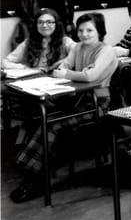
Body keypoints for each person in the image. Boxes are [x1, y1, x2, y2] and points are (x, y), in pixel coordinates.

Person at [10, 13, 118, 203]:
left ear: (100, 31)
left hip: (99, 104)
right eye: (81, 30)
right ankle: (33, 174)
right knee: (42, 119)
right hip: (77, 100)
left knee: (53, 125)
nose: (84, 34)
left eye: (89, 30)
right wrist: (69, 72)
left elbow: (90, 76)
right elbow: (63, 68)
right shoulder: (78, 47)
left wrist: (68, 74)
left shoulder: (106, 50)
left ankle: (35, 179)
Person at [3, 8, 75, 71]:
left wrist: (62, 62)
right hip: (35, 79)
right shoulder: (28, 42)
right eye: (40, 22)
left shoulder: (65, 41)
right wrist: (26, 68)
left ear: (56, 24)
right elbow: (4, 63)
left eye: (49, 22)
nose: (44, 25)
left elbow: (79, 52)